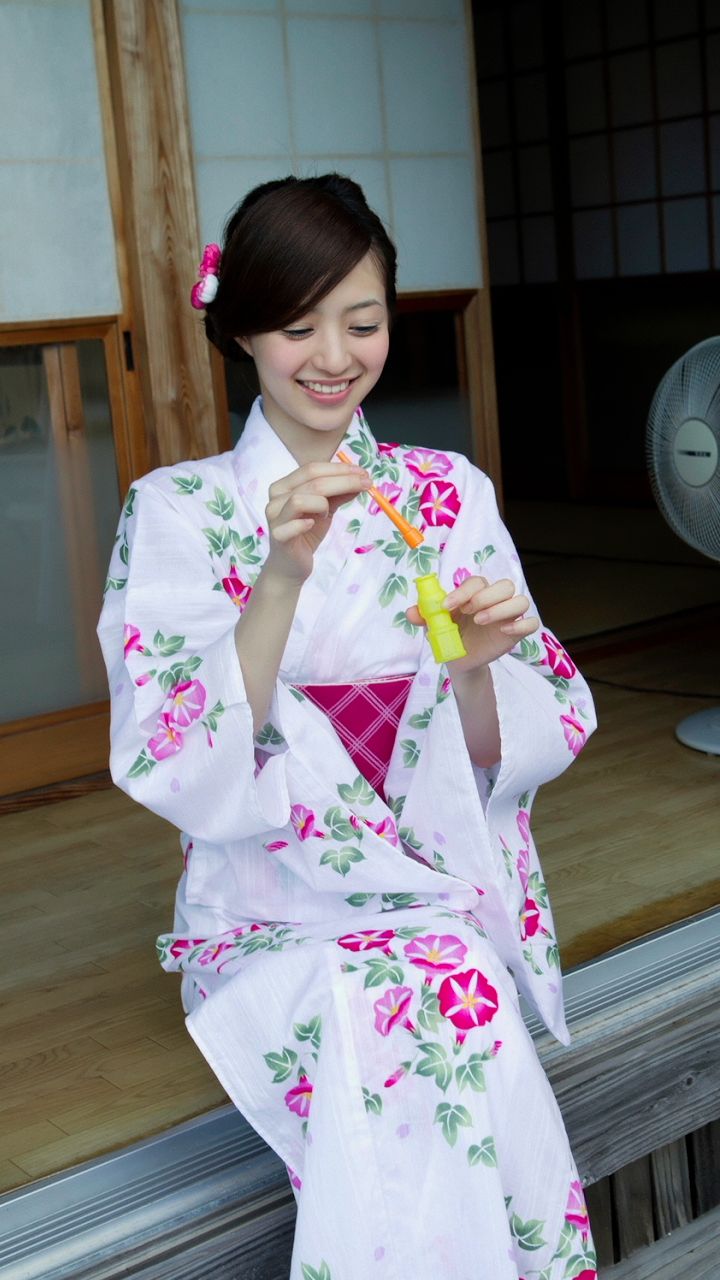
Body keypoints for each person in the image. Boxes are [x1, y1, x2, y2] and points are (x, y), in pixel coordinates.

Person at [98, 174, 598, 1280]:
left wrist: (473, 674)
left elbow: (522, 737)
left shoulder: (447, 493)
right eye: (298, 326)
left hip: (429, 887)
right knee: (414, 997)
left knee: (444, 983)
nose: (334, 356)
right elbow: (175, 753)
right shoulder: (177, 510)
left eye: (362, 323)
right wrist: (279, 573)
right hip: (267, 907)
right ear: (240, 331)